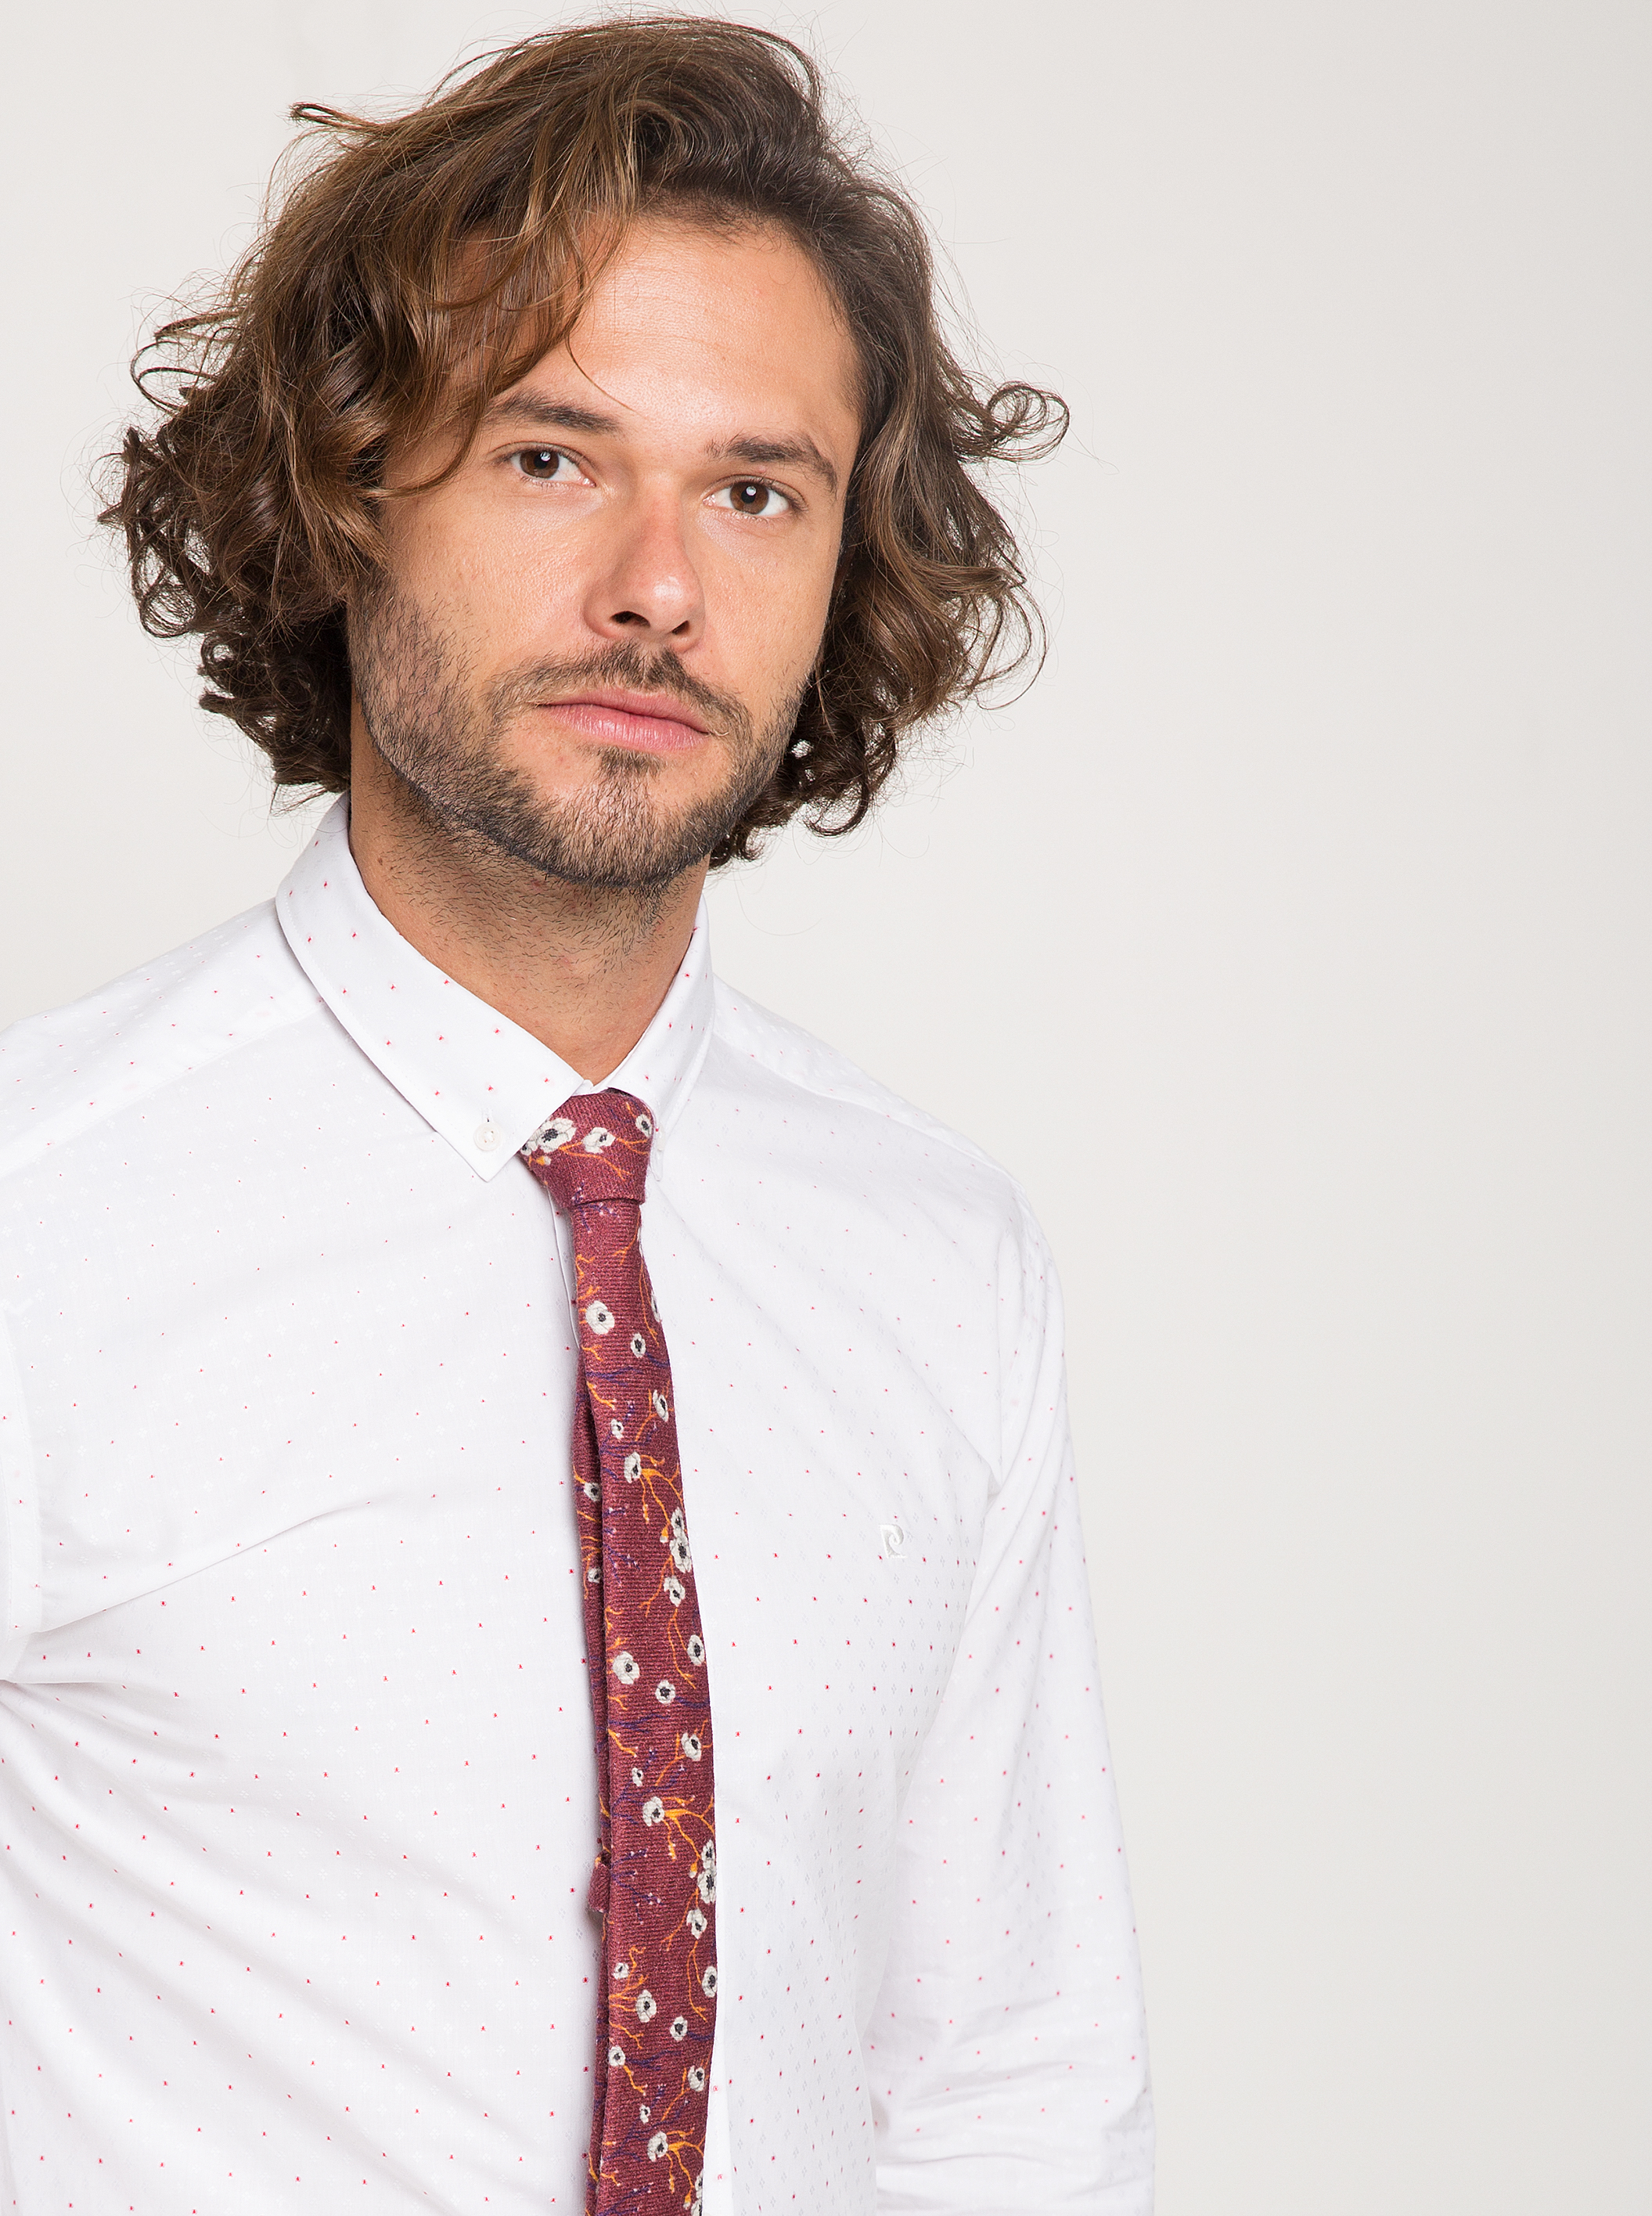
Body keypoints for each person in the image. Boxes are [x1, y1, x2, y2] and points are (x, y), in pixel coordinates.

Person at [0, 18, 1151, 2212]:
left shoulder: (936, 1259)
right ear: (344, 495)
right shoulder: (36, 1222)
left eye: (755, 490)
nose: (658, 585)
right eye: (551, 456)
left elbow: (1008, 2079)